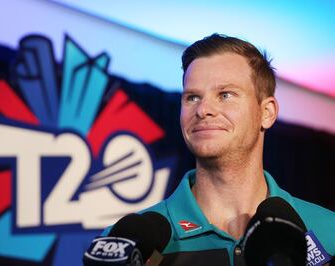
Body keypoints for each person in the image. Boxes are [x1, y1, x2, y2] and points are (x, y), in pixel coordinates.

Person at [104, 34, 335, 265]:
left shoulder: (329, 232)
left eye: (225, 95)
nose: (203, 109)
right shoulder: (125, 246)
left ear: (267, 113)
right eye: (192, 97)